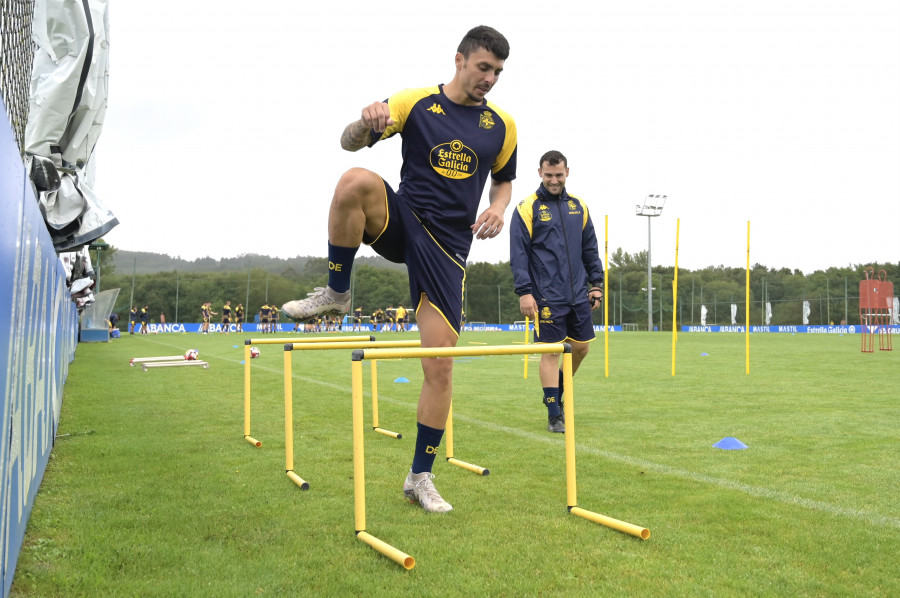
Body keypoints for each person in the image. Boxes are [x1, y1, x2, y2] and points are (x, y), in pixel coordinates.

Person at [281, 26, 516, 513]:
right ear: (459, 60)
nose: (489, 79)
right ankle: (337, 292)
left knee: (440, 366)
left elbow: (504, 183)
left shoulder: (502, 126)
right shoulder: (415, 102)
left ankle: (420, 476)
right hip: (405, 220)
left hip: (449, 249)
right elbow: (349, 143)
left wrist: (499, 208)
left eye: (496, 72)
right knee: (354, 181)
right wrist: (366, 124)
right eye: (482, 68)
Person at [510, 150, 604, 433]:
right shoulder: (527, 207)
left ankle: (555, 394)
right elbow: (519, 253)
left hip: (578, 295)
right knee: (551, 353)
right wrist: (524, 292)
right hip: (545, 296)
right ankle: (554, 414)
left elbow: (590, 248)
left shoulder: (579, 206)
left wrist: (596, 284)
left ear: (567, 172)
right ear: (540, 172)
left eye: (558, 175)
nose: (554, 180)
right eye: (549, 175)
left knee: (581, 348)